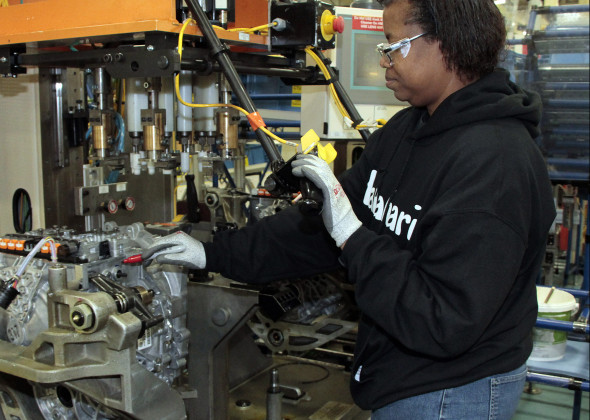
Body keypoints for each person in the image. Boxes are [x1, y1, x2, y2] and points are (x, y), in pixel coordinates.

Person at [142, 0, 556, 418]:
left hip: (452, 391)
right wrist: (213, 252)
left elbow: (443, 319)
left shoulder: (495, 163)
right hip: (399, 373)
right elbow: (320, 226)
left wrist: (352, 236)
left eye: (393, 45)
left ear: (444, 45)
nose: (385, 60)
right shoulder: (408, 129)